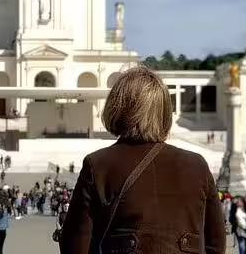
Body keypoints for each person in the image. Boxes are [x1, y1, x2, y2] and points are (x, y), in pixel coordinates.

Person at [59, 66, 226, 254]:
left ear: (117, 108)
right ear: (164, 112)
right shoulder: (196, 166)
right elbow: (216, 243)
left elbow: (76, 243)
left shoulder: (98, 165)